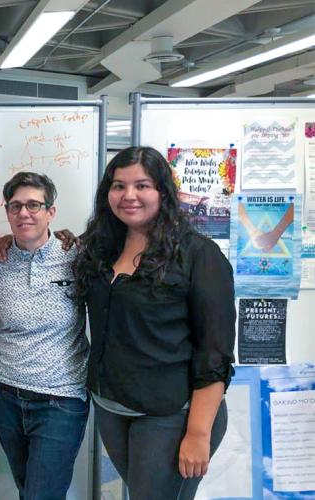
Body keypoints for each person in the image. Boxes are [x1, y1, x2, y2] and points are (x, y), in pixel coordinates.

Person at [74, 146, 235, 500]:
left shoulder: (197, 255)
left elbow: (215, 353)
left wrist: (197, 433)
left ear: (162, 191)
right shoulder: (100, 248)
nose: (128, 195)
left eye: (142, 185)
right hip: (112, 408)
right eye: (118, 186)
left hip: (171, 415)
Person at [0, 172, 89, 500]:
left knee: (42, 494)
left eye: (34, 205)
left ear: (51, 212)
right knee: (29, 490)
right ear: (8, 211)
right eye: (15, 206)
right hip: (5, 397)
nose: (24, 213)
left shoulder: (75, 256)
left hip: (61, 400)